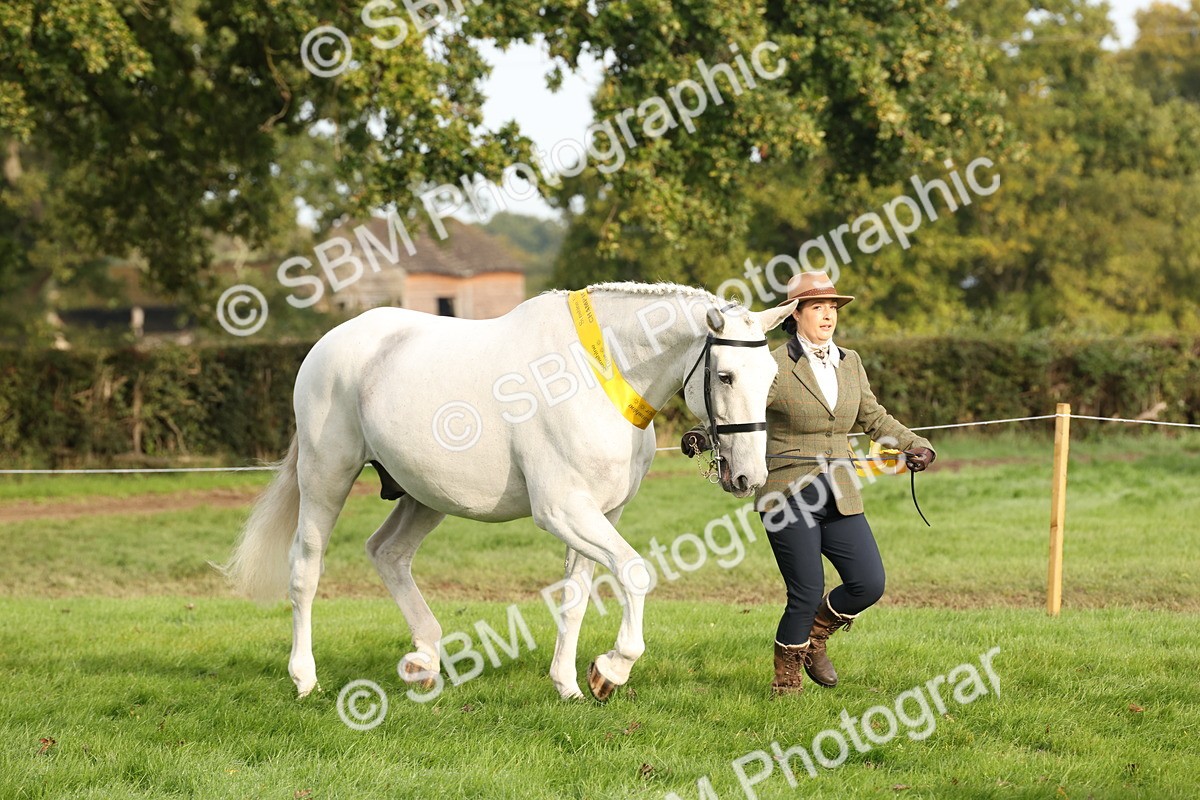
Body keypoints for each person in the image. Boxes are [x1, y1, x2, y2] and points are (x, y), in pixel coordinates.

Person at [682, 272, 935, 695]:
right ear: (794, 314)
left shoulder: (850, 362)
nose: (828, 315)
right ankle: (786, 683)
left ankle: (815, 637)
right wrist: (702, 434)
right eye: (817, 307)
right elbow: (741, 409)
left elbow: (873, 417)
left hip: (839, 491)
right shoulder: (774, 365)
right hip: (787, 492)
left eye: (832, 307)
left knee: (868, 582)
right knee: (806, 589)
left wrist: (916, 445)